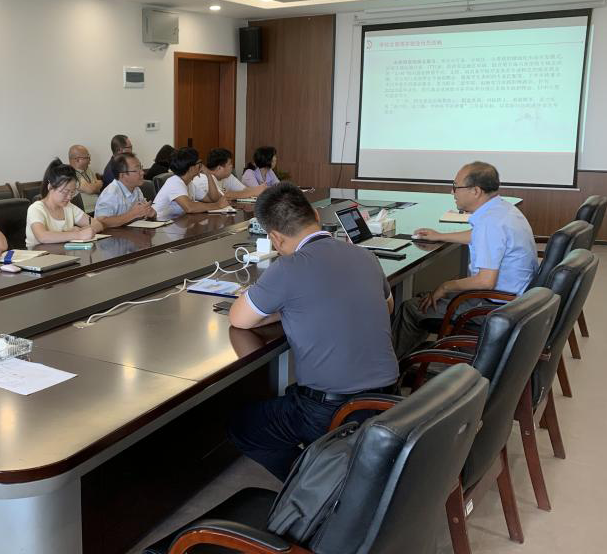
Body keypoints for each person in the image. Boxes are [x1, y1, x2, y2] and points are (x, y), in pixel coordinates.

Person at [227, 183, 398, 480]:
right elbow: (389, 305)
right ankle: (330, 476)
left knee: (243, 427)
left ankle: (313, 489)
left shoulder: (287, 268)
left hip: (332, 410)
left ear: (275, 238)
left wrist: (284, 308)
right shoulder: (364, 255)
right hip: (388, 398)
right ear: (317, 216)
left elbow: (239, 319)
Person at [391, 161, 537, 358]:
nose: (452, 192)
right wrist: (441, 236)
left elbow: (485, 281)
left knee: (412, 308)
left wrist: (445, 287)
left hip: (495, 307)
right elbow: (481, 237)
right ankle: (416, 356)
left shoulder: (489, 223)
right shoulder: (502, 210)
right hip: (518, 300)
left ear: (475, 191)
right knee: (426, 298)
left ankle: (393, 369)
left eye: (456, 187)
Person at [26, 159, 104, 248]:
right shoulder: (36, 208)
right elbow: (42, 237)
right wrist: (77, 235)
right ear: (50, 187)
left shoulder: (68, 207)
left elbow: (97, 225)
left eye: (72, 192)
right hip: (40, 255)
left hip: (63, 253)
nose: (69, 197)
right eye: (65, 192)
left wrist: (81, 230)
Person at [151, 147, 228, 220]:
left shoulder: (189, 183)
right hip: (158, 223)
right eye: (199, 163)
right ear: (191, 168)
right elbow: (189, 207)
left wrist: (208, 175)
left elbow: (213, 199)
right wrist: (217, 205)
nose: (202, 166)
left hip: (175, 222)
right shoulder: (174, 182)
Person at [94, 152, 156, 227]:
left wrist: (151, 213)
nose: (142, 172)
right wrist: (133, 214)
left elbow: (143, 212)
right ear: (122, 175)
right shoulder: (110, 193)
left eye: (141, 168)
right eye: (136, 170)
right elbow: (101, 221)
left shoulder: (136, 189)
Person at [68, 144, 102, 213]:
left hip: (99, 208)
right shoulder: (69, 173)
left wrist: (95, 186)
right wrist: (96, 185)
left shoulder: (88, 169)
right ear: (77, 160)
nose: (90, 160)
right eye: (87, 157)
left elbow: (98, 189)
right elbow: (91, 189)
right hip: (86, 213)